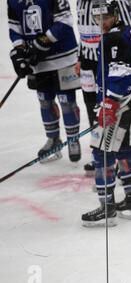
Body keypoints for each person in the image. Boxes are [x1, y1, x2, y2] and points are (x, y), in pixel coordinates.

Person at [81, 0, 131, 226]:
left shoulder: (115, 38)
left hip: (117, 105)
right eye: (97, 19)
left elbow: (121, 71)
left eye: (105, 18)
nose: (101, 23)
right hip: (128, 103)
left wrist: (108, 103)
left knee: (101, 154)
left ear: (114, 15)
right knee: (125, 151)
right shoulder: (123, 32)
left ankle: (107, 208)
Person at [8, 0, 81, 163]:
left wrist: (43, 41)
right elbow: (14, 27)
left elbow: (65, 20)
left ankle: (73, 139)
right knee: (44, 101)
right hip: (37, 60)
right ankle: (53, 139)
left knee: (67, 101)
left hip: (64, 56)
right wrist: (19, 51)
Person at [75, 0, 131, 176]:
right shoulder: (82, 2)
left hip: (113, 61)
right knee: (94, 107)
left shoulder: (116, 4)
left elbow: (124, 34)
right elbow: (83, 31)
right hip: (91, 59)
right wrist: (81, 56)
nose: (101, 22)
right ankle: (104, 151)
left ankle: (121, 156)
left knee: (118, 113)